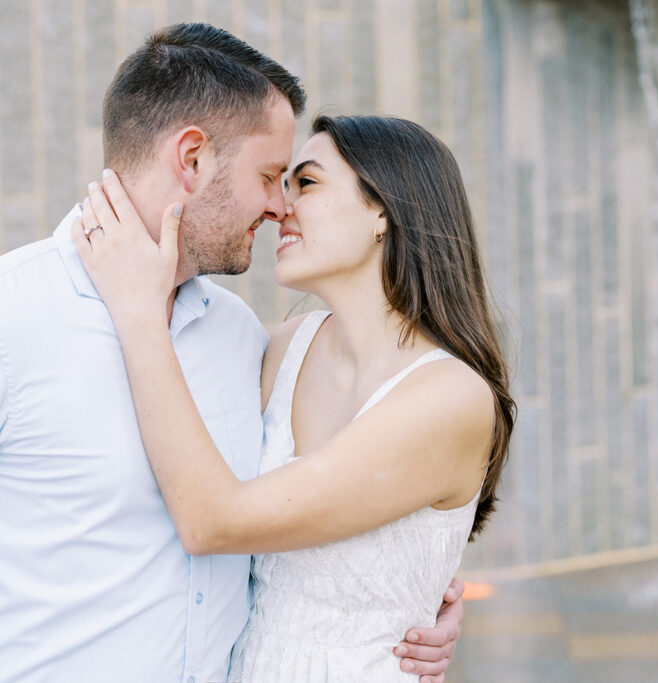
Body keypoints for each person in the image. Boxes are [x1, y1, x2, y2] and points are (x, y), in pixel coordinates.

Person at [0, 24, 463, 683]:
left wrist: (411, 579)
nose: (280, 207)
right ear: (191, 159)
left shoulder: (243, 338)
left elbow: (311, 493)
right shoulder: (13, 316)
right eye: (273, 176)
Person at [73, 111, 515, 681]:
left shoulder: (450, 398)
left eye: (304, 183)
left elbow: (213, 521)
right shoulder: (285, 348)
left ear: (383, 209)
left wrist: (137, 309)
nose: (281, 207)